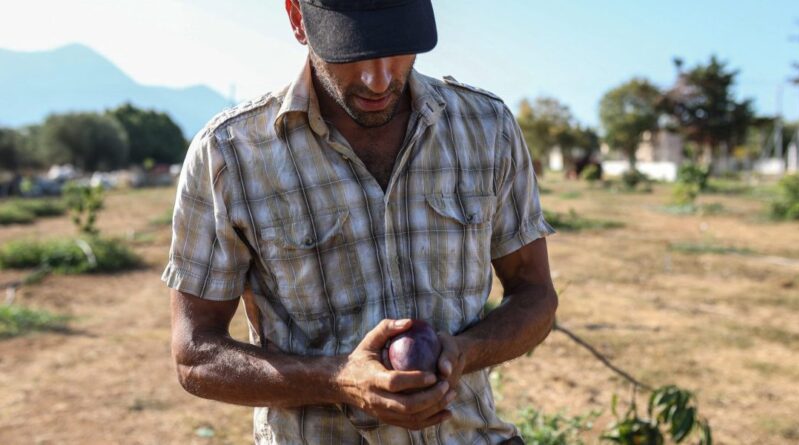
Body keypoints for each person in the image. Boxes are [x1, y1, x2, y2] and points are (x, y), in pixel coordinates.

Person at [163, 0, 558, 443]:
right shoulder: (229, 155)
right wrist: (339, 380)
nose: (380, 78)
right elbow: (195, 355)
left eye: (398, 47)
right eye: (352, 52)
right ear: (297, 18)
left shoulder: (487, 129)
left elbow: (536, 294)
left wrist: (464, 352)